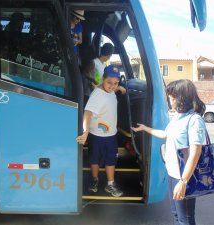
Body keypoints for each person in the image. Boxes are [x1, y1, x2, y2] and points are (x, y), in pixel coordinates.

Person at [131, 79, 206, 225]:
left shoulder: (194, 120)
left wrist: (183, 182)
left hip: (184, 176)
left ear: (183, 98)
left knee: (186, 219)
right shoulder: (178, 117)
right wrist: (145, 128)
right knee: (176, 215)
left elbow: (195, 153)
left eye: (173, 98)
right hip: (172, 173)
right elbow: (166, 135)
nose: (170, 101)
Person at [77, 65, 124, 197]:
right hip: (96, 134)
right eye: (109, 82)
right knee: (94, 159)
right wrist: (85, 132)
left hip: (111, 134)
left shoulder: (111, 91)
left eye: (116, 83)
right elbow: (87, 113)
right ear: (103, 79)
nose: (112, 86)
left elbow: (113, 89)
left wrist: (120, 88)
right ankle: (94, 179)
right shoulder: (97, 95)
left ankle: (110, 184)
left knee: (111, 159)